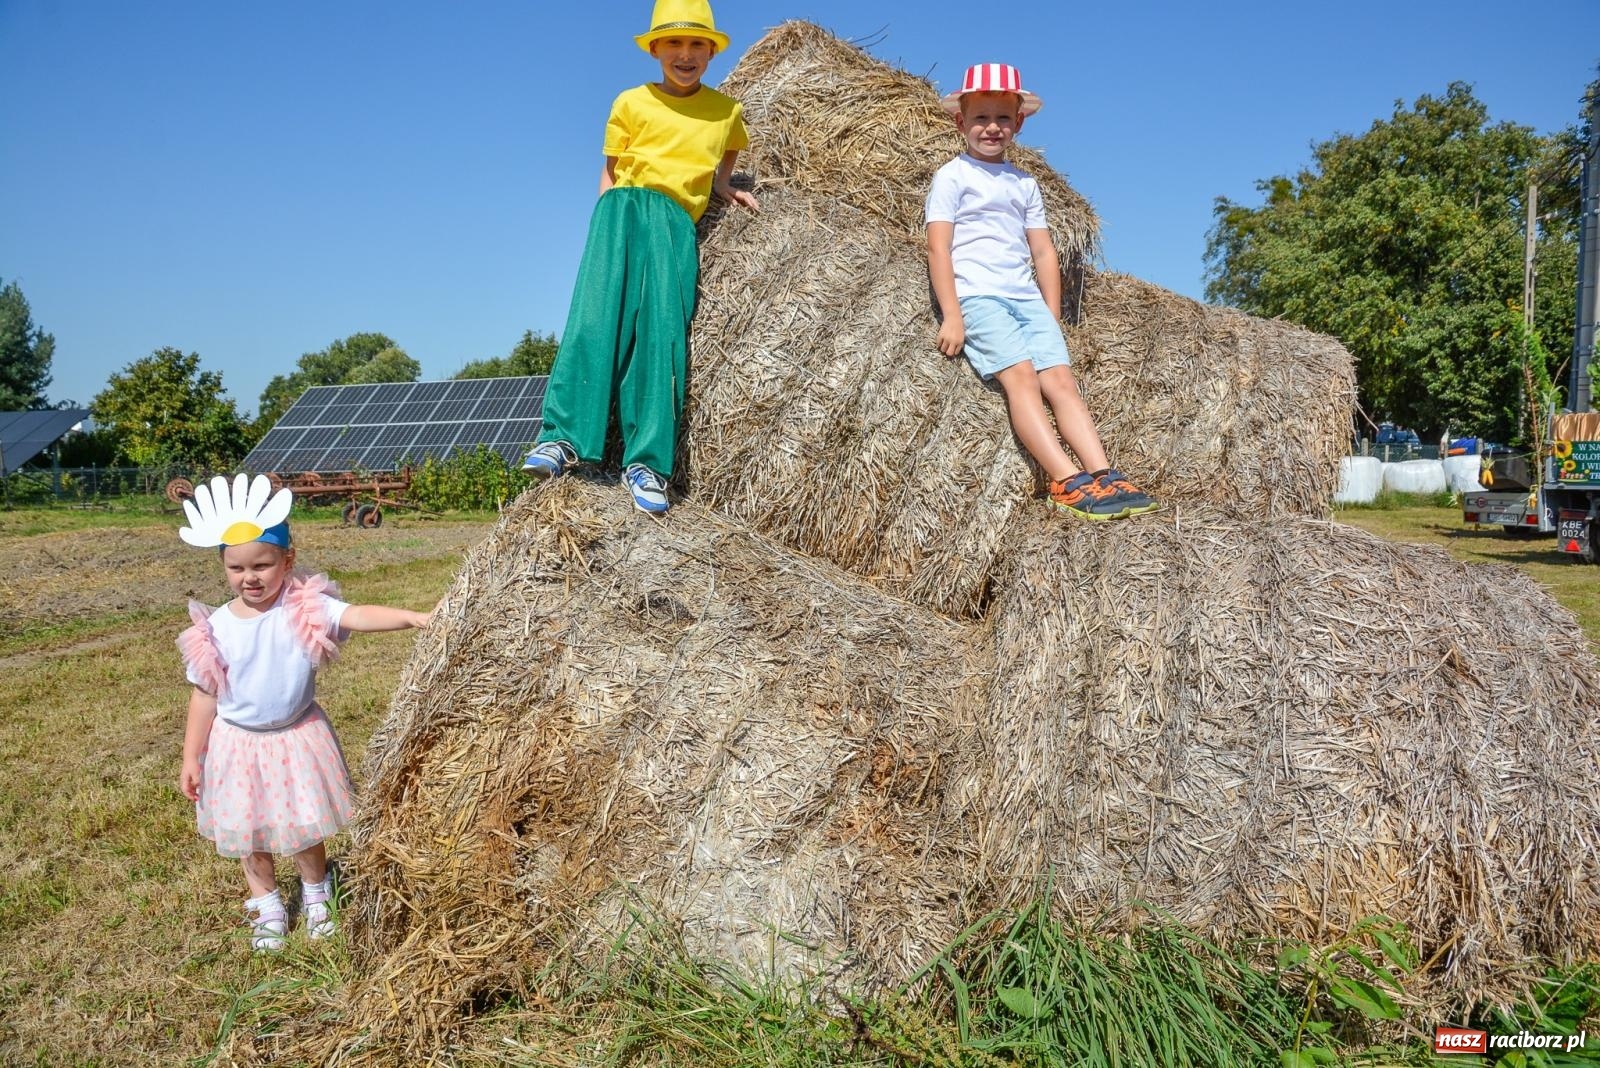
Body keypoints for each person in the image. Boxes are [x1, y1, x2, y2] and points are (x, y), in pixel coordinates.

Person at [521, 0, 759, 514]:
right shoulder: (630, 101)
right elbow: (610, 171)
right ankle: (561, 438)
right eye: (674, 42)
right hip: (620, 213)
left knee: (661, 339)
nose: (686, 54)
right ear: (654, 49)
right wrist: (606, 219)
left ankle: (647, 464)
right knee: (593, 323)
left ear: (712, 53)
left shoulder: (726, 111)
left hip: (675, 223)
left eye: (698, 44)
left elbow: (726, 156)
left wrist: (724, 186)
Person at [175, 474, 431, 951]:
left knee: (305, 823)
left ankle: (316, 892)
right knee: (248, 830)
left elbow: (355, 614)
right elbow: (204, 696)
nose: (249, 577)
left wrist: (412, 617)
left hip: (297, 735)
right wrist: (192, 757)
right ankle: (268, 905)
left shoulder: (305, 608)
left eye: (262, 565)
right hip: (236, 743)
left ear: (286, 561)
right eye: (236, 567)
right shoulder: (215, 628)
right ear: (224, 566)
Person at [925, 64, 1157, 520]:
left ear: (1019, 123)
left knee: (1062, 382)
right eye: (981, 118)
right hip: (979, 297)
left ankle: (1104, 473)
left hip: (1025, 298)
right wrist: (952, 314)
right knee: (1023, 380)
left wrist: (1050, 313)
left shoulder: (1024, 184)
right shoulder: (951, 177)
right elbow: (938, 246)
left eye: (1003, 119)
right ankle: (1066, 479)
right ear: (960, 122)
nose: (992, 128)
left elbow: (1044, 253)